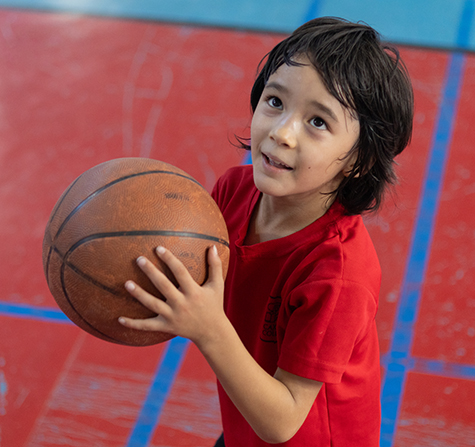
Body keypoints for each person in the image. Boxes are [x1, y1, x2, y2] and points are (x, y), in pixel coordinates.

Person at [118, 17, 414, 446]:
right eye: (275, 101)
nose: (282, 132)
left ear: (360, 160)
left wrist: (208, 327)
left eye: (318, 122)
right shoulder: (231, 191)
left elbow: (283, 422)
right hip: (249, 420)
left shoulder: (339, 274)